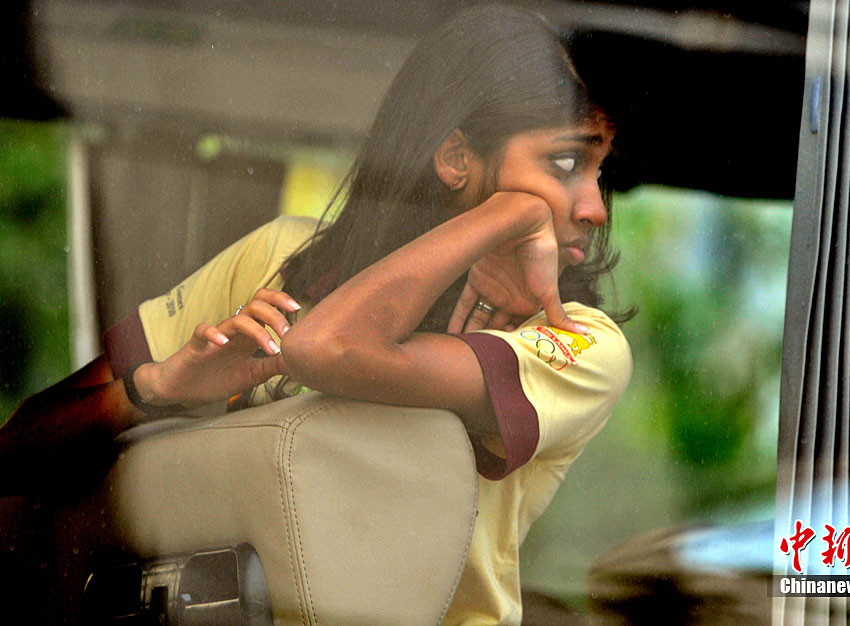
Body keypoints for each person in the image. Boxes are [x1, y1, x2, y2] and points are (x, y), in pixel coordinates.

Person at [0, 4, 633, 624]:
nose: (595, 208)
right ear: (456, 159)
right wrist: (157, 388)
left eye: (598, 171)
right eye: (565, 164)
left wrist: (513, 211)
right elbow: (16, 455)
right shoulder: (283, 257)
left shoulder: (578, 341)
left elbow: (328, 348)